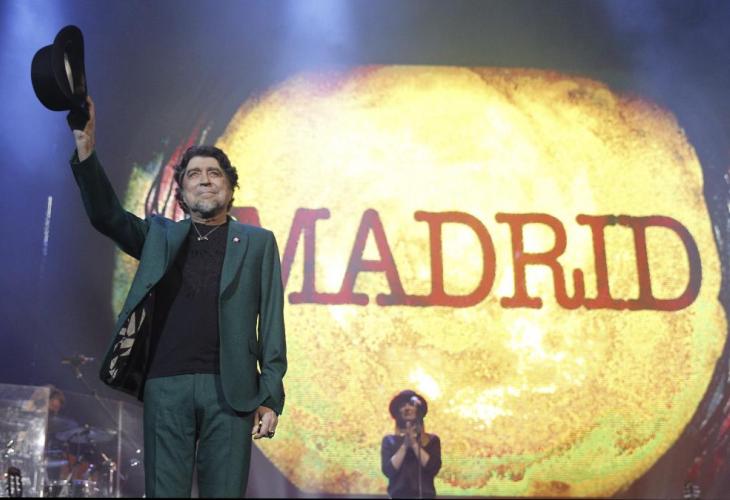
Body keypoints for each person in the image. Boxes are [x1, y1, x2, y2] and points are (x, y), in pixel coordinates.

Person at [68, 96, 287, 498]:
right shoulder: (160, 236)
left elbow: (272, 323)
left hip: (232, 390)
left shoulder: (258, 243)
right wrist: (86, 148)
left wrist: (270, 396)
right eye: (194, 174)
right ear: (181, 191)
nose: (205, 179)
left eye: (215, 173)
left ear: (230, 188)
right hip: (166, 384)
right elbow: (107, 216)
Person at [381, 390, 442, 499]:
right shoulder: (389, 441)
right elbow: (388, 470)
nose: (407, 408)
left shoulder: (432, 440)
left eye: (410, 405)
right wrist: (405, 445)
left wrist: (414, 444)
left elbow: (433, 468)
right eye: (403, 405)